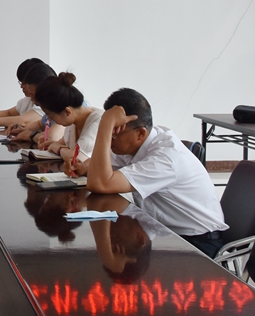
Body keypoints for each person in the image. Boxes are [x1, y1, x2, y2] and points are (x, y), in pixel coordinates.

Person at [72, 88, 228, 258]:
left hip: (197, 243)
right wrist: (82, 167)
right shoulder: (135, 144)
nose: (110, 141)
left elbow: (100, 183)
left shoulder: (165, 158)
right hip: (164, 231)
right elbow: (96, 168)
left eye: (114, 135)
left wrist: (105, 125)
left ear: (140, 133)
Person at [34, 72, 103, 164]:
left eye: (51, 116)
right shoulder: (73, 121)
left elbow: (78, 158)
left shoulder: (99, 121)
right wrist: (53, 144)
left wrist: (59, 149)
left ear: (67, 111)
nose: (50, 120)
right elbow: (64, 142)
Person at [0, 58, 47, 128]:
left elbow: (24, 121)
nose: (21, 86)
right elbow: (9, 113)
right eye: (21, 82)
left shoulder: (44, 102)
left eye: (25, 83)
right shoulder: (26, 100)